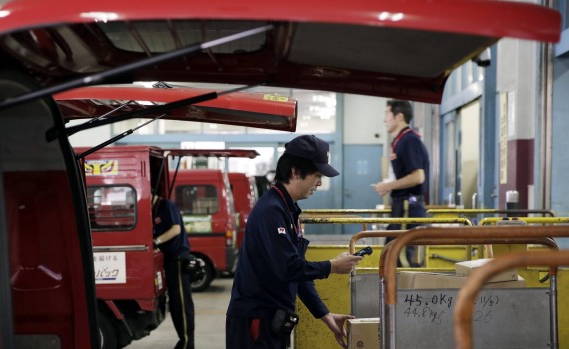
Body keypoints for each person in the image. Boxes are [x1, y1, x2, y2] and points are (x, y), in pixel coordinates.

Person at [226, 135, 363, 349]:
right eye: (317, 175)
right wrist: (332, 266)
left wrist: (324, 314)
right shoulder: (271, 211)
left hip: (274, 321)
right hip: (255, 322)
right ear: (295, 172)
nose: (319, 182)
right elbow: (288, 268)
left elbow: (297, 272)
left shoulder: (289, 210)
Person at [373, 99, 430, 267]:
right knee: (392, 255)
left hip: (408, 207)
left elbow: (418, 176)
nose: (384, 120)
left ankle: (407, 295)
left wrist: (388, 186)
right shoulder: (399, 141)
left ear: (399, 116)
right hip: (401, 206)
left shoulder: (409, 140)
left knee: (401, 259)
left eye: (387, 115)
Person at [152, 194, 195, 349]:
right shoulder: (153, 209)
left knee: (182, 304)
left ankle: (186, 343)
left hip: (178, 259)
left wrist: (156, 241)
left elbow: (176, 229)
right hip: (169, 260)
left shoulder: (166, 205)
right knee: (176, 305)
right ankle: (183, 341)